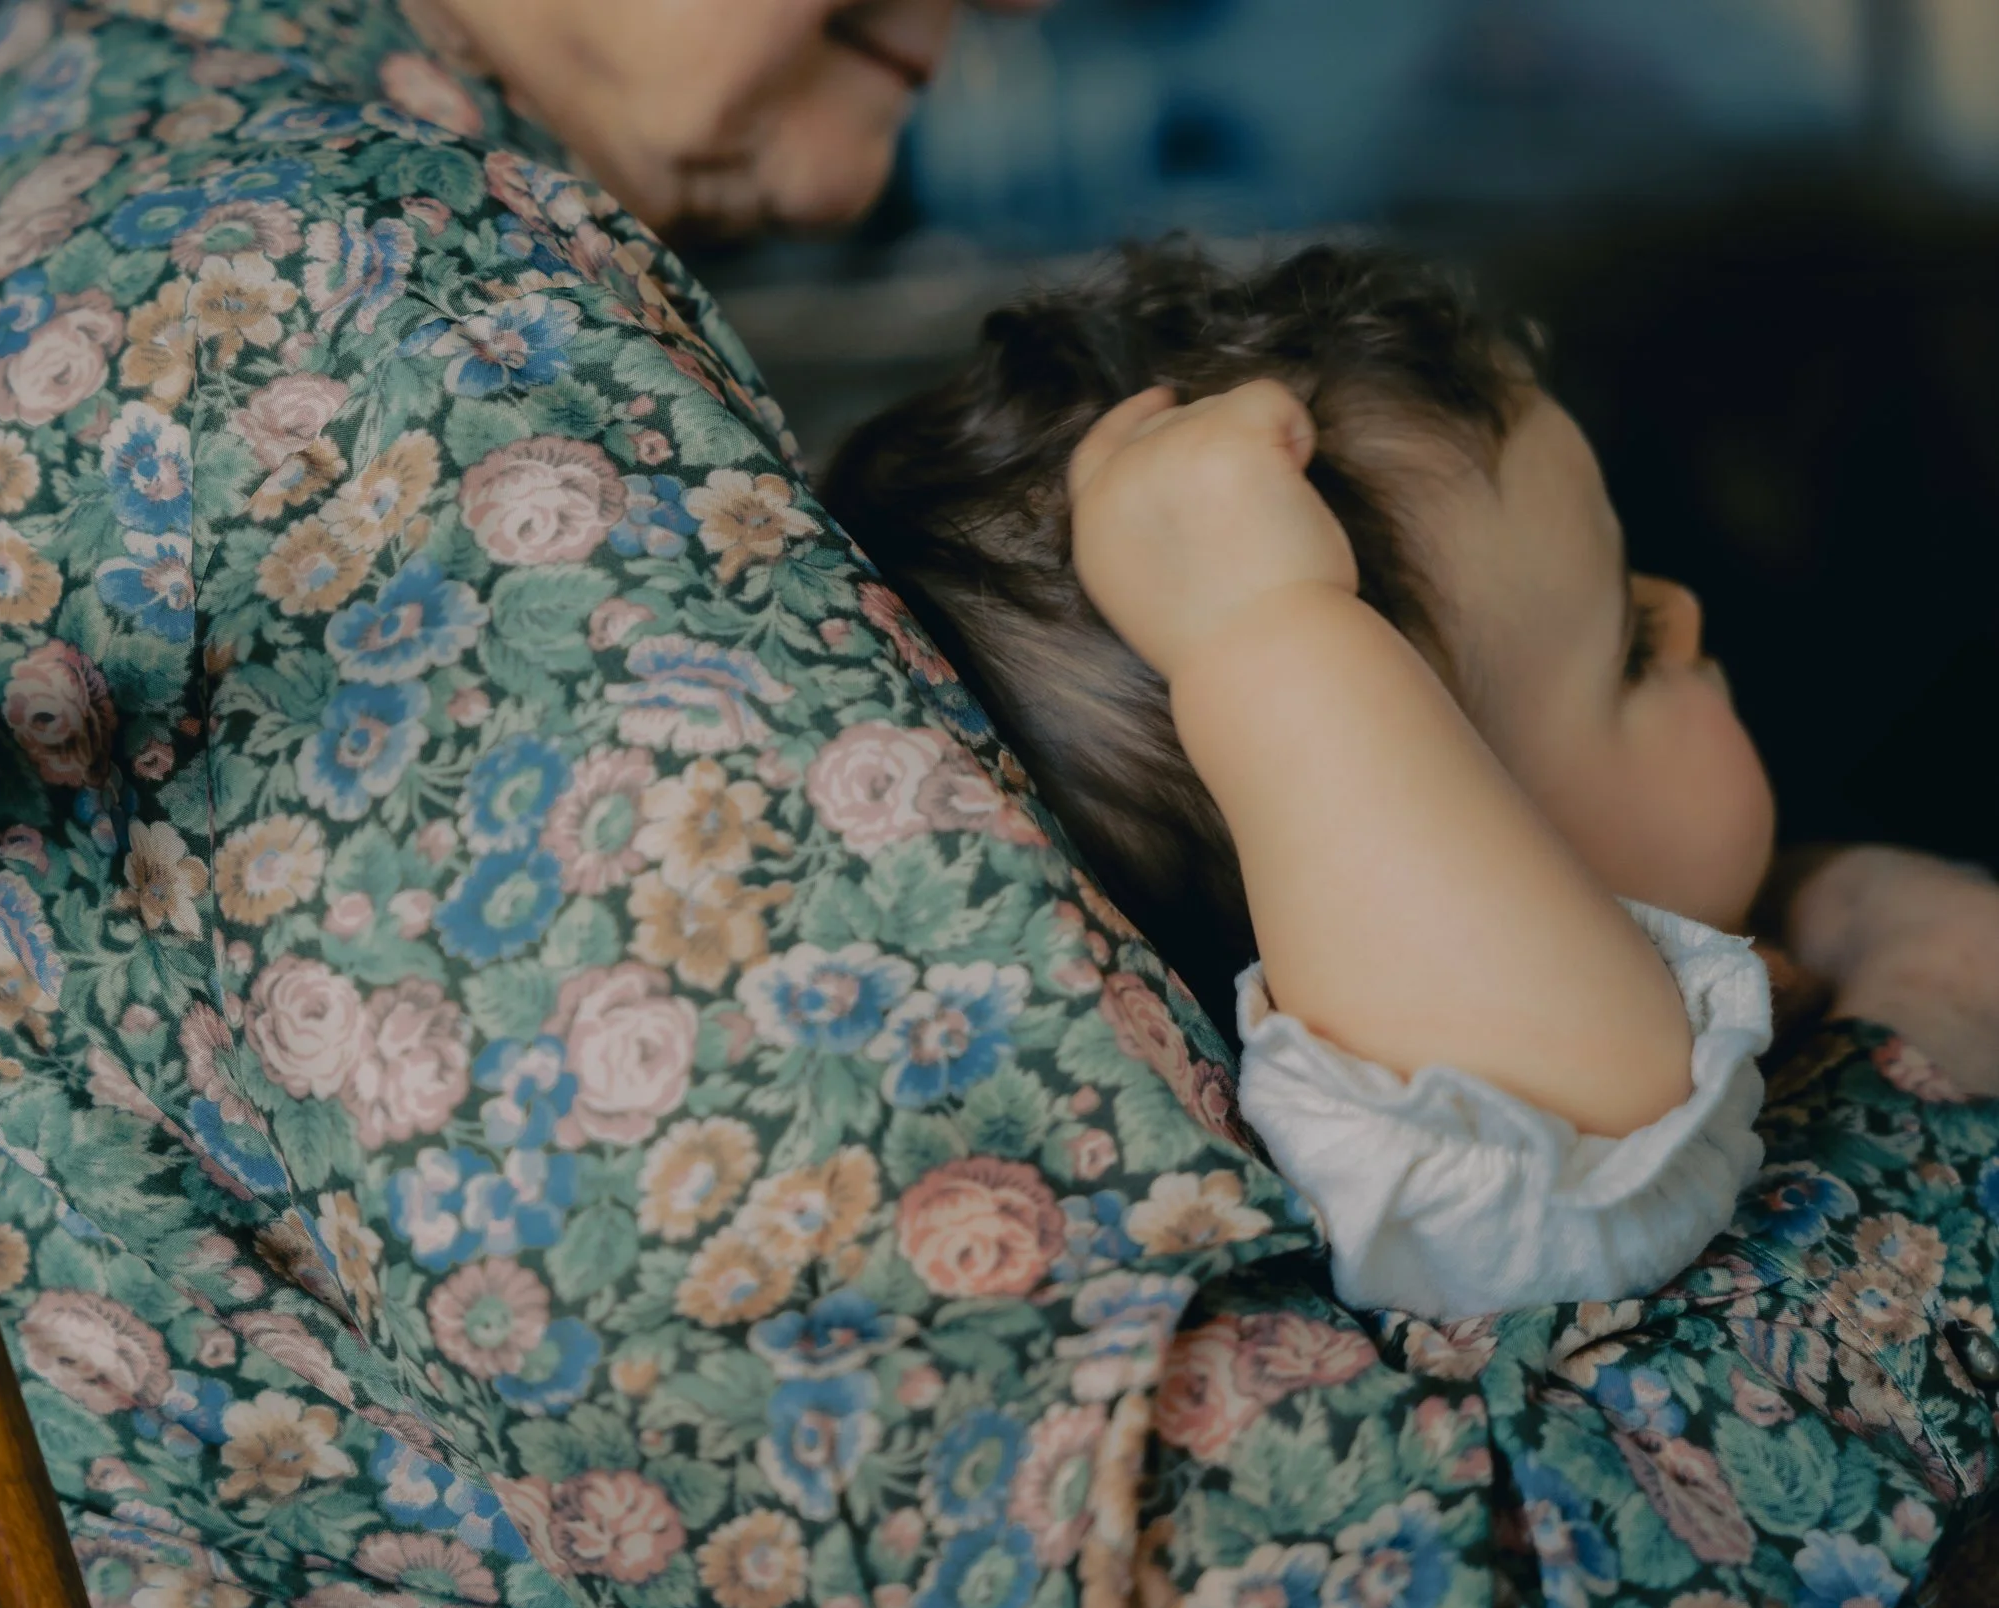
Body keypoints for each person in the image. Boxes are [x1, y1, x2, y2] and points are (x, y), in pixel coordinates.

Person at [0, 3, 1998, 1608]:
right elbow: (1318, 1604)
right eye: (1626, 646)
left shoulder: (59, 152)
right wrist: (1929, 1065)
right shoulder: (380, 347)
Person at [823, 242, 1999, 1321]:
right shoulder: (1466, 1136)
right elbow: (1572, 1117)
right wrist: (1262, 628)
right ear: (1432, 871)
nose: (1685, 608)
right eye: (1630, 651)